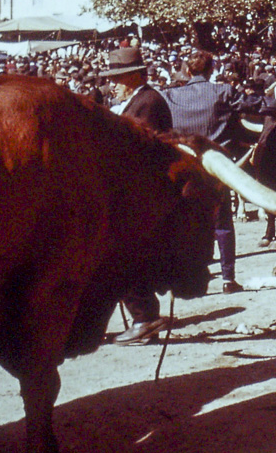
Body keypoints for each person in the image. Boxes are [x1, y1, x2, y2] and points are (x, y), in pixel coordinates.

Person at [100, 47, 175, 346]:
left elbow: (134, 148)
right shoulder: (139, 100)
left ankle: (145, 318)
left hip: (141, 194)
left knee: (125, 257)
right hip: (134, 192)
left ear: (133, 76)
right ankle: (143, 320)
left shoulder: (148, 102)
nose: (112, 84)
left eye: (117, 77)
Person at [163, 49, 244, 294]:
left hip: (182, 167)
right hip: (215, 166)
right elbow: (260, 105)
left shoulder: (169, 96)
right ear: (212, 70)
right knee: (222, 223)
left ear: (188, 71)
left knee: (185, 223)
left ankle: (190, 276)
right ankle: (228, 279)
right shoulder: (222, 91)